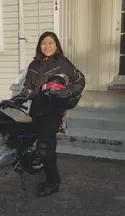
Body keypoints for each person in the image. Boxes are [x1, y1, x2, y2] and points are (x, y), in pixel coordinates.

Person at [22, 31, 85, 197]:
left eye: (51, 43)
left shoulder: (63, 63)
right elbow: (28, 87)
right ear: (39, 46)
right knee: (30, 138)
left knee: (45, 146)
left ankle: (53, 181)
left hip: (54, 110)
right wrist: (22, 95)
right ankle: (37, 163)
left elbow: (79, 79)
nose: (47, 46)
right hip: (37, 109)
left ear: (56, 45)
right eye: (44, 43)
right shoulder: (33, 65)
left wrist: (69, 92)